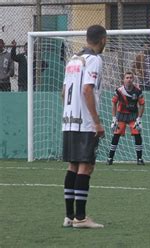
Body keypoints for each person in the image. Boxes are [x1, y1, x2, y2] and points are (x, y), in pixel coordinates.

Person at [61, 24, 107, 229]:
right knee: (85, 166)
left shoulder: (73, 59)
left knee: (73, 165)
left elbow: (64, 92)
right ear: (103, 39)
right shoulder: (94, 60)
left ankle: (69, 216)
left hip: (69, 119)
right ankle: (81, 218)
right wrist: (96, 121)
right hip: (85, 122)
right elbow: (87, 89)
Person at [107, 71, 145, 166]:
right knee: (116, 134)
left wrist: (139, 119)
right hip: (121, 115)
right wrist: (114, 118)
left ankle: (139, 159)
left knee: (137, 134)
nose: (129, 79)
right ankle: (110, 158)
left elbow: (142, 104)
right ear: (123, 80)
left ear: (133, 79)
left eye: (131, 78)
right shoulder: (119, 91)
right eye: (127, 78)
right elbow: (114, 103)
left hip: (133, 115)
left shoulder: (138, 91)